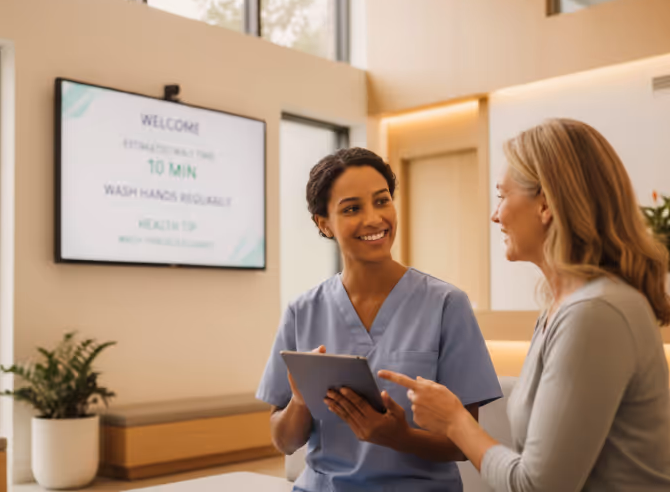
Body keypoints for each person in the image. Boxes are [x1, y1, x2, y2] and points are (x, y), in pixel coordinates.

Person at [381, 118, 670, 491]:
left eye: (502, 195)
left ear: (546, 203)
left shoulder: (594, 313)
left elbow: (537, 486)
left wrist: (456, 421)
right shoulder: (561, 307)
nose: (495, 214)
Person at [256, 147, 502, 491]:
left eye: (382, 201)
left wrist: (399, 437)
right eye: (352, 208)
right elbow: (284, 441)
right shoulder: (302, 311)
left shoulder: (446, 304)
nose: (374, 219)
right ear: (323, 223)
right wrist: (300, 400)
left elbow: (463, 445)